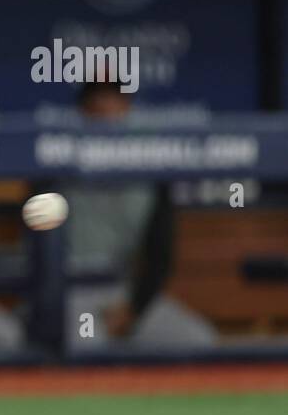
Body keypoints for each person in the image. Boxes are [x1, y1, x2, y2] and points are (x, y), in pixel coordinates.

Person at [63, 79, 216, 351]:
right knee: (87, 346)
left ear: (127, 108)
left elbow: (161, 254)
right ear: (84, 113)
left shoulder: (151, 175)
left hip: (120, 293)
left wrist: (133, 308)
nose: (108, 116)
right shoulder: (56, 165)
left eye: (115, 104)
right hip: (73, 296)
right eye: (98, 107)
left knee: (197, 340)